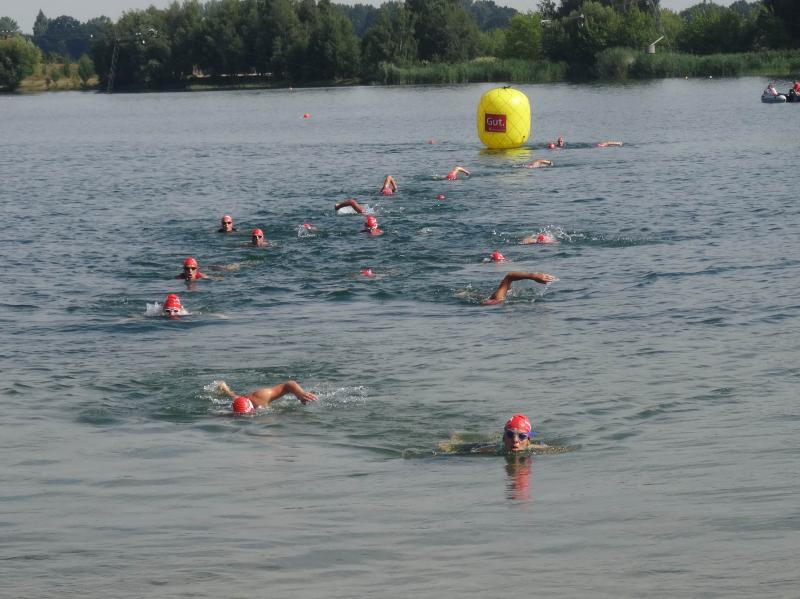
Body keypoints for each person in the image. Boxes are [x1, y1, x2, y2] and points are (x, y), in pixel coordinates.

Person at [218, 380, 318, 415]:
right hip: (237, 403)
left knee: (235, 397)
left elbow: (288, 385)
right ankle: (227, 391)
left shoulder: (261, 397)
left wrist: (300, 393)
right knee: (235, 398)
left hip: (252, 399)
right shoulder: (230, 412)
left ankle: (226, 390)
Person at [481, 271, 557, 305]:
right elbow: (509, 277)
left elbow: (509, 277)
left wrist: (534, 276)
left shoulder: (498, 299)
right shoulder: (498, 300)